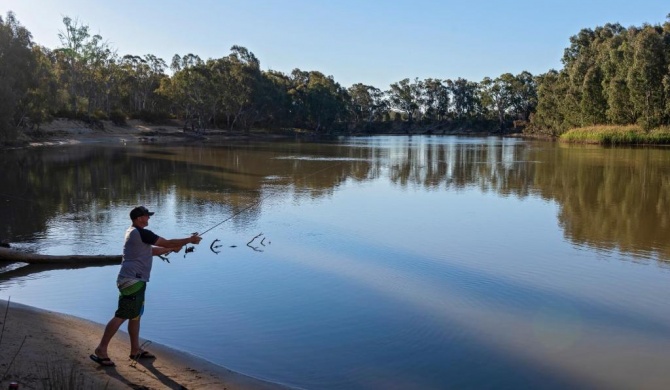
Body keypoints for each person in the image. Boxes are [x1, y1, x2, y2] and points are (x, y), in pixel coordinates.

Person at [90, 206, 202, 367]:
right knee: (122, 314)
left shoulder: (133, 232)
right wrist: (189, 240)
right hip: (132, 281)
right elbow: (167, 241)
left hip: (134, 280)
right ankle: (101, 349)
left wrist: (171, 249)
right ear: (138, 218)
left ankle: (135, 350)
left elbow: (151, 251)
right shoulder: (141, 232)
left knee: (135, 315)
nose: (148, 218)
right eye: (146, 216)